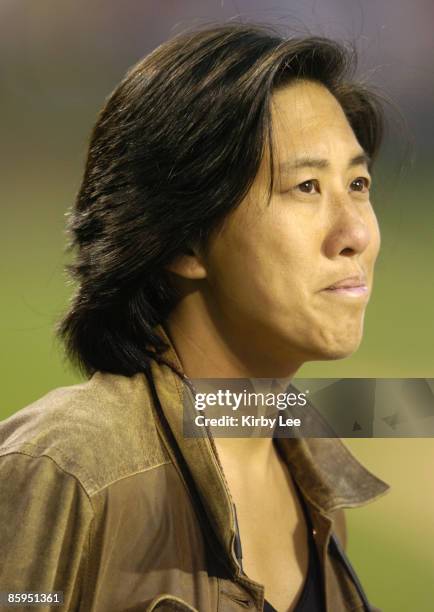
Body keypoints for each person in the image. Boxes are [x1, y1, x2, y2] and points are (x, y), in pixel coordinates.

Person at [0, 23, 390, 612]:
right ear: (185, 239)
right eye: (306, 186)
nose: (356, 233)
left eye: (357, 184)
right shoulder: (66, 472)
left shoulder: (317, 492)